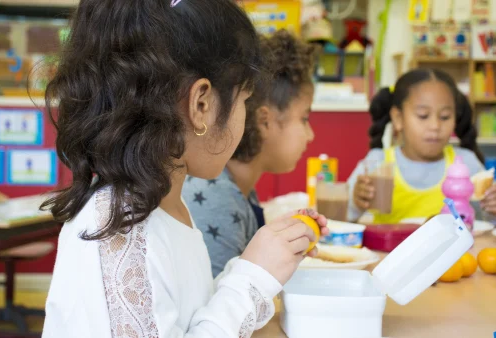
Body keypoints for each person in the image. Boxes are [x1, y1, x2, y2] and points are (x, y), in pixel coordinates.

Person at [40, 1, 328, 337]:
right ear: (201, 105)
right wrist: (253, 276)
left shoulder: (166, 202)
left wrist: (264, 259)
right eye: (244, 101)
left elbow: (188, 319)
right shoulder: (120, 226)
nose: (245, 116)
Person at [183, 29, 318, 277]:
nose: (311, 135)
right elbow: (219, 303)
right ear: (264, 121)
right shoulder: (218, 198)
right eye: (305, 119)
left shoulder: (239, 189)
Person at [348, 68, 496, 225]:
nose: (435, 126)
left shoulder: (465, 163)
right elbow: (342, 220)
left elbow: (484, 223)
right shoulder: (377, 162)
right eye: (423, 116)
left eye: (445, 117)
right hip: (390, 251)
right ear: (398, 118)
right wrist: (356, 202)